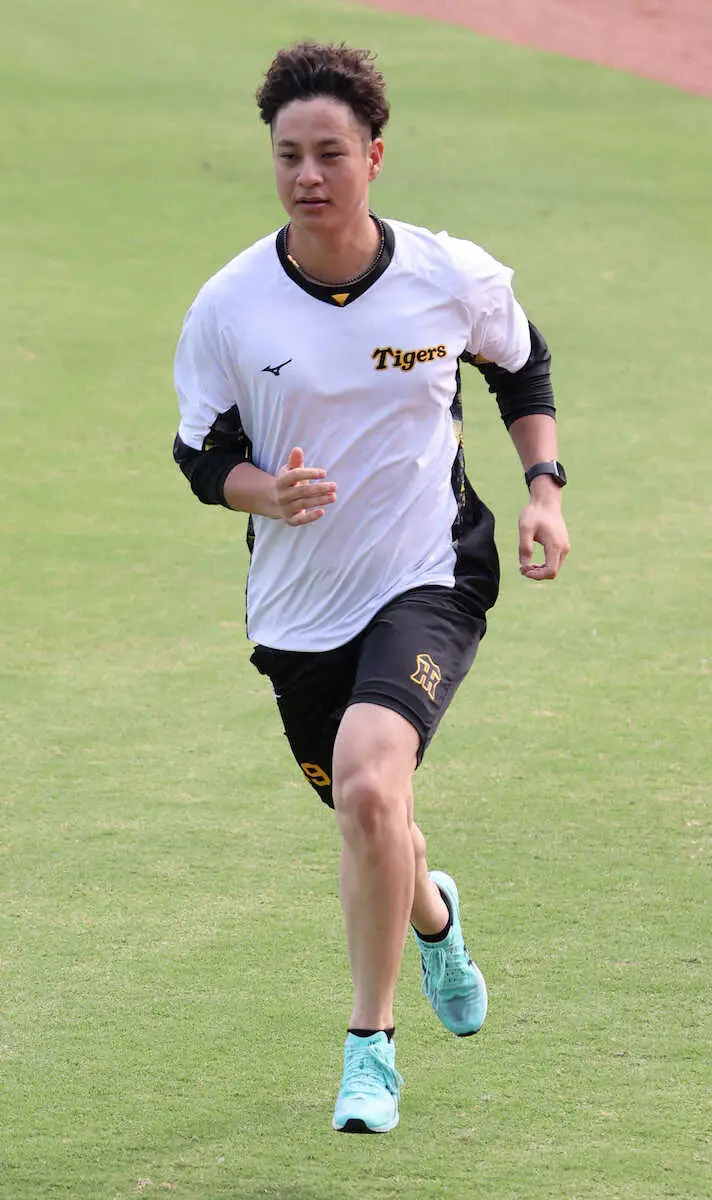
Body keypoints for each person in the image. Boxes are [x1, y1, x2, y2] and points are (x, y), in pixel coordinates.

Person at [172, 40, 570, 1135]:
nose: (308, 174)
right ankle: (436, 918)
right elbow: (200, 455)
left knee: (367, 786)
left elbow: (520, 363)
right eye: (288, 155)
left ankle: (369, 1050)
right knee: (374, 817)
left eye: (330, 153)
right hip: (298, 610)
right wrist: (267, 493)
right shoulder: (231, 306)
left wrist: (543, 487)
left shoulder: (448, 276)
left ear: (374, 157)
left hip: (429, 573)